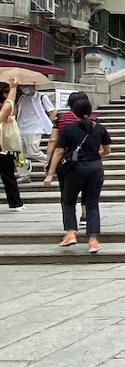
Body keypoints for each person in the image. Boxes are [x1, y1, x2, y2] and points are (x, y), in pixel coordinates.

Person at [43, 93, 110, 253]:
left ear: (73, 112)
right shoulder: (99, 128)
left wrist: (50, 173)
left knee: (69, 201)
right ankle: (93, 241)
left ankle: (71, 233)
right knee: (92, 204)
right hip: (95, 168)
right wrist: (94, 155)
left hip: (74, 170)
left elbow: (59, 151)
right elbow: (107, 150)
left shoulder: (68, 129)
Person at [15, 83, 54, 181]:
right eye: (22, 87)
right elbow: (17, 110)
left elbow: (52, 111)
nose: (23, 88)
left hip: (35, 128)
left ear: (33, 86)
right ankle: (23, 175)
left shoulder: (42, 97)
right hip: (21, 128)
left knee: (33, 152)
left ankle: (53, 162)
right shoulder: (22, 98)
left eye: (25, 86)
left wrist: (47, 124)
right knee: (18, 154)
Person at [0, 80, 26, 211]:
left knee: (9, 175)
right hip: (3, 148)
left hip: (4, 148)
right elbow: (7, 108)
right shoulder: (5, 111)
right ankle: (16, 203)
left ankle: (16, 203)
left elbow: (9, 107)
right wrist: (13, 88)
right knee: (9, 176)